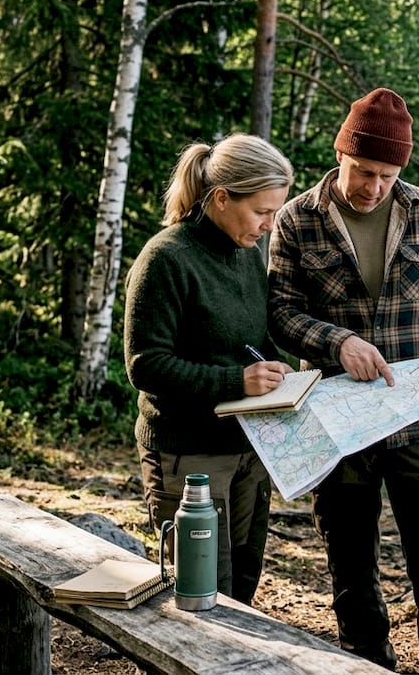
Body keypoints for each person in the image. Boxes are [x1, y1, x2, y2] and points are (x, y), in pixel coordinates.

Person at [267, 88, 419, 674]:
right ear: (340, 153)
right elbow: (281, 313)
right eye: (364, 171)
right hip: (334, 421)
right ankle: (365, 663)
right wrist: (337, 344)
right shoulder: (296, 219)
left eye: (387, 175)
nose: (373, 187)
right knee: (350, 565)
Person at [123, 133, 295, 604]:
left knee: (241, 588)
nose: (269, 224)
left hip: (247, 448)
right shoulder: (165, 259)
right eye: (262, 211)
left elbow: (251, 338)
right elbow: (145, 365)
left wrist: (285, 371)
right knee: (199, 593)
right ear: (221, 197)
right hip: (188, 457)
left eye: (275, 212)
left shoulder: (246, 253)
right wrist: (235, 381)